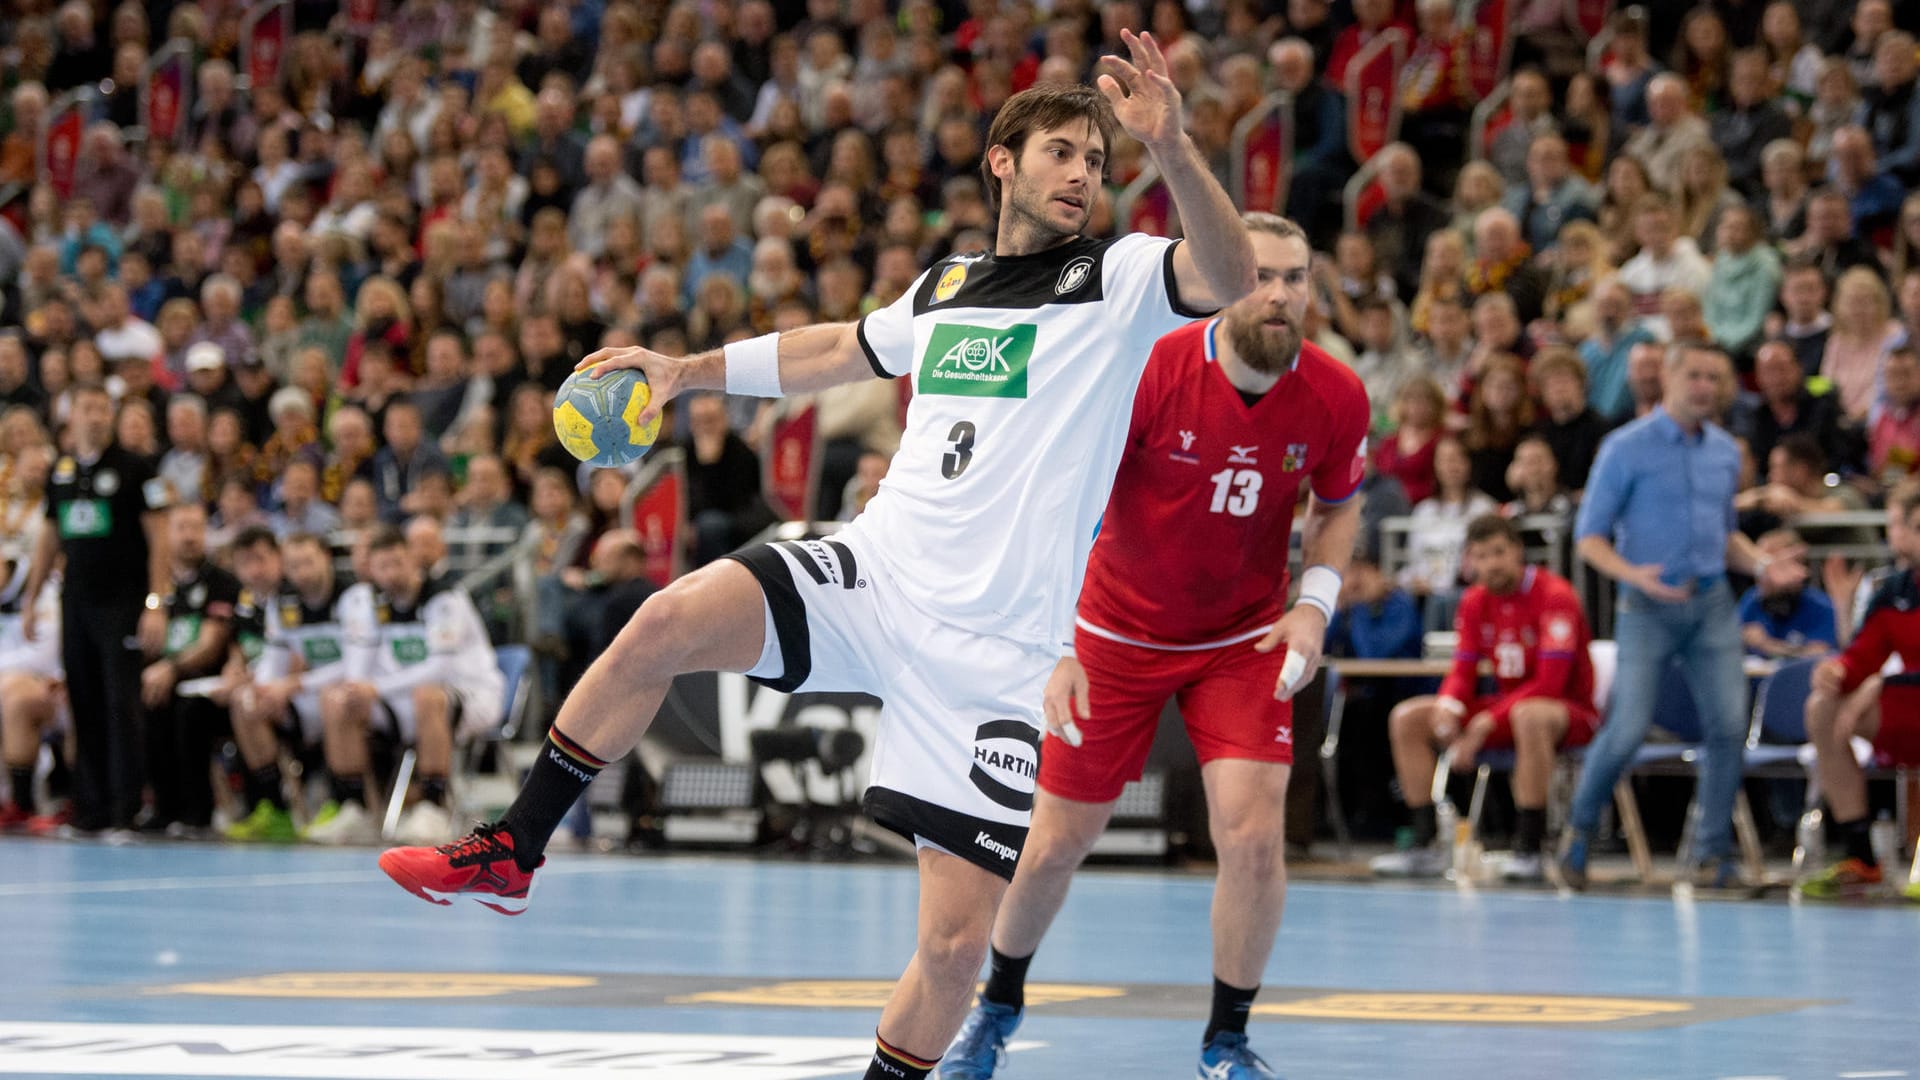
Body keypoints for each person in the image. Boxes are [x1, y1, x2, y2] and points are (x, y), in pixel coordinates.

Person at [378, 46, 1257, 1080]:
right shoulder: (947, 288)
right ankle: (512, 851)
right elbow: (835, 349)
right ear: (1001, 164)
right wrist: (684, 374)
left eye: (1096, 160)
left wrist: (1172, 144)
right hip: (873, 577)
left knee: (950, 947)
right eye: (1061, 151)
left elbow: (1233, 278)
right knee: (662, 623)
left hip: (994, 658)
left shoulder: (1112, 280)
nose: (1081, 173)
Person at [942, 214, 1366, 1080]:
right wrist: (1056, 642)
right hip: (1111, 633)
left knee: (1252, 838)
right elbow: (1068, 500)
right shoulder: (1150, 371)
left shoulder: (1336, 394)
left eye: (1297, 278)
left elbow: (1339, 503)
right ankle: (996, 1007)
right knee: (1056, 841)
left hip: (1241, 640)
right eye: (1262, 275)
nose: (1280, 294)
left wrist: (1313, 605)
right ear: (1224, 278)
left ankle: (1226, 1042)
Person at [1561, 344, 1807, 889]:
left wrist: (1763, 564)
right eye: (1693, 375)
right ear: (1668, 378)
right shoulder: (1625, 448)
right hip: (1647, 605)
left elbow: (1724, 538)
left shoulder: (1724, 452)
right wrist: (1633, 575)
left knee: (1726, 727)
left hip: (1712, 603)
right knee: (1625, 730)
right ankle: (1577, 834)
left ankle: (1711, 854)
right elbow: (1589, 538)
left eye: (1713, 377)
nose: (1704, 386)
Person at [1371, 514, 1598, 881]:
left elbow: (1550, 684)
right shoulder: (1474, 601)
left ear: (1518, 552)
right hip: (1509, 710)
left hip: (1569, 713)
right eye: (1480, 556)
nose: (1491, 563)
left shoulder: (1555, 596)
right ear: (1470, 562)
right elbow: (1462, 671)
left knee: (1530, 715)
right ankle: (1425, 843)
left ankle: (1530, 848)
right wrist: (1448, 707)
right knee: (1409, 717)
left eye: (1498, 553)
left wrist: (1483, 724)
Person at [23, 384, 170, 837]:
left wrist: (156, 603)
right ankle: (90, 809)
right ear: (71, 417)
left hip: (123, 603)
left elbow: (159, 538)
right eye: (88, 408)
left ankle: (126, 810)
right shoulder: (62, 471)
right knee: (82, 700)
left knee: (119, 702)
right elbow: (49, 534)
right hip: (76, 603)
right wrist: (31, 598)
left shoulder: (135, 468)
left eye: (104, 409)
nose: (97, 416)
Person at [318, 527, 503, 846]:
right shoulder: (373, 604)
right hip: (402, 698)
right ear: (371, 570)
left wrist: (375, 688)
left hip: (471, 696)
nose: (390, 573)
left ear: (412, 560)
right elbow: (359, 666)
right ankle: (356, 806)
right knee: (337, 698)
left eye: (397, 563)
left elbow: (439, 668)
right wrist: (357, 690)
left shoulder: (445, 597)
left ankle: (434, 806)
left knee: (427, 696)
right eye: (382, 566)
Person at [1799, 479, 1920, 901]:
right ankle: (1860, 854)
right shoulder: (1894, 591)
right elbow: (1863, 654)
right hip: (1907, 709)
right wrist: (1837, 671)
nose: (1895, 535)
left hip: (1906, 695)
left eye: (1901, 525)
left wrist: (1882, 683)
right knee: (1823, 707)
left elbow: (1879, 676)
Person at [225, 531, 354, 843]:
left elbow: (357, 665)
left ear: (325, 556)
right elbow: (275, 655)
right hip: (307, 695)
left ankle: (348, 805)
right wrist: (267, 689)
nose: (302, 572)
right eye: (294, 565)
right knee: (246, 701)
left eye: (308, 562)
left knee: (333, 697)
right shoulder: (282, 601)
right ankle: (276, 808)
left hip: (352, 695)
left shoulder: (353, 596)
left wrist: (294, 684)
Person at [139, 502, 240, 836]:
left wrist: (170, 667)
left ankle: (197, 813)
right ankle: (161, 808)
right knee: (145, 702)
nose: (189, 536)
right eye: (181, 528)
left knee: (188, 711)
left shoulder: (221, 581)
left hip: (208, 685)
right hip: (163, 679)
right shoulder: (156, 586)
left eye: (196, 528)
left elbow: (211, 645)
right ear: (166, 534)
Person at [0, 559, 63, 830]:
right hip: (11, 680)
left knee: (15, 697)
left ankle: (22, 802)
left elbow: (42, 654)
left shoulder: (41, 590)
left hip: (52, 685)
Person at [1737, 528, 1837, 659]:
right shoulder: (1753, 598)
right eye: (1761, 566)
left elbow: (1817, 656)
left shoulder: (1821, 607)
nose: (1763, 578)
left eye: (1773, 565)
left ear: (1798, 567)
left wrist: (1767, 645)